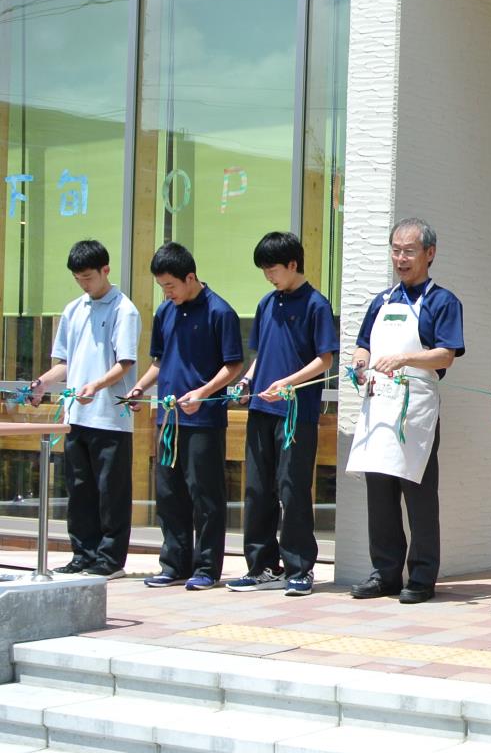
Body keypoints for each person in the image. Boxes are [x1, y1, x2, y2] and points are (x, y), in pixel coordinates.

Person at [346, 218, 465, 605]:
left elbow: (445, 354)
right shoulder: (382, 301)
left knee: (418, 495)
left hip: (417, 411)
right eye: (396, 249)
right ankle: (384, 573)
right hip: (379, 404)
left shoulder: (442, 301)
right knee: (379, 495)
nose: (401, 257)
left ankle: (422, 577)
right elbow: (362, 345)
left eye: (409, 250)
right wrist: (360, 363)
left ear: (429, 254)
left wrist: (404, 358)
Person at [227, 232, 338, 596]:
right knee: (257, 489)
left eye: (272, 269)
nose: (268, 277)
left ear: (293, 265)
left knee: (292, 489)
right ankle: (261, 566)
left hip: (296, 413)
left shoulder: (316, 305)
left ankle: (300, 568)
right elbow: (260, 355)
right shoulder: (266, 304)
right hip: (262, 408)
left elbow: (325, 359)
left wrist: (287, 382)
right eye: (264, 271)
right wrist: (247, 381)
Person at [128, 242, 244, 591]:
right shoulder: (165, 312)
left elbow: (234, 365)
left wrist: (203, 393)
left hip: (203, 420)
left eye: (171, 286)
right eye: (162, 287)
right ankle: (173, 563)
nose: (167, 293)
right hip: (167, 419)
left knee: (204, 495)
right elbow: (160, 361)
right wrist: (140, 388)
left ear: (190, 277)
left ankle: (207, 567)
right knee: (169, 493)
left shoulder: (219, 311)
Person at [28, 240, 140, 579]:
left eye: (89, 277)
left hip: (111, 417)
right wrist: (43, 383)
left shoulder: (125, 310)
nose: (84, 283)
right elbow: (65, 362)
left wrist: (96, 386)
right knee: (79, 490)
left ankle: (110, 560)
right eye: (78, 278)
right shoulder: (73, 309)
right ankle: (82, 553)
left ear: (106, 270)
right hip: (76, 416)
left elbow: (125, 363)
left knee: (111, 492)